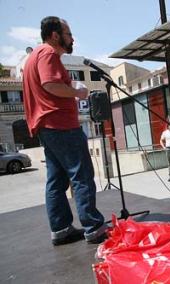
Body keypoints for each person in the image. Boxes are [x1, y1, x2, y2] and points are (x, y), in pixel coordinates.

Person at [22, 16, 106, 245]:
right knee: (82, 175)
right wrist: (77, 92)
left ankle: (60, 229)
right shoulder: (48, 53)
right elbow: (50, 85)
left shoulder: (34, 57)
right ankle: (94, 227)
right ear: (55, 35)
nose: (72, 39)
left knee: (57, 180)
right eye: (68, 34)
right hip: (60, 125)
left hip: (46, 127)